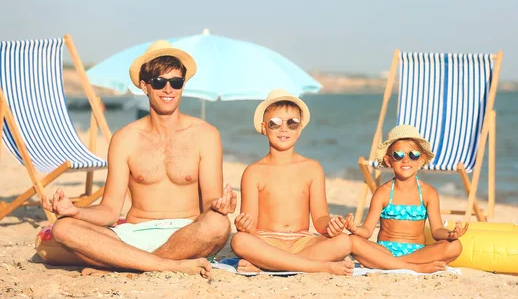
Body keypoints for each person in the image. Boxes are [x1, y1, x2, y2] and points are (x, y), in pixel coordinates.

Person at [40, 40, 235, 278]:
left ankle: (125, 264)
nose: (168, 90)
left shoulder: (206, 134)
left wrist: (219, 205)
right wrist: (75, 211)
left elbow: (210, 204)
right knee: (64, 227)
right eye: (159, 82)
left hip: (187, 234)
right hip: (134, 234)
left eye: (176, 82)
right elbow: (110, 210)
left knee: (219, 224)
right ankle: (166, 264)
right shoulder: (125, 138)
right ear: (145, 85)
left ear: (183, 85)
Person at [230, 89, 354, 275]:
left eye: (292, 123)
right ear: (264, 128)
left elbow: (320, 218)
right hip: (267, 241)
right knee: (239, 240)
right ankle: (318, 267)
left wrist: (331, 225)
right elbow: (250, 223)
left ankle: (269, 265)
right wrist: (244, 225)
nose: (284, 128)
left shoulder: (312, 168)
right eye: (275, 123)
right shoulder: (254, 171)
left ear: (300, 128)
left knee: (344, 241)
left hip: (302, 241)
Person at [344, 124, 466, 272]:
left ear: (421, 160)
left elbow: (437, 230)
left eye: (413, 155)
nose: (406, 160)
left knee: (454, 246)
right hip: (385, 251)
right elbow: (367, 231)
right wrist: (355, 228)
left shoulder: (428, 193)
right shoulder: (383, 192)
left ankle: (386, 264)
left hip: (417, 254)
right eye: (398, 155)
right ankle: (413, 267)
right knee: (352, 240)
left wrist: (450, 234)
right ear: (389, 161)